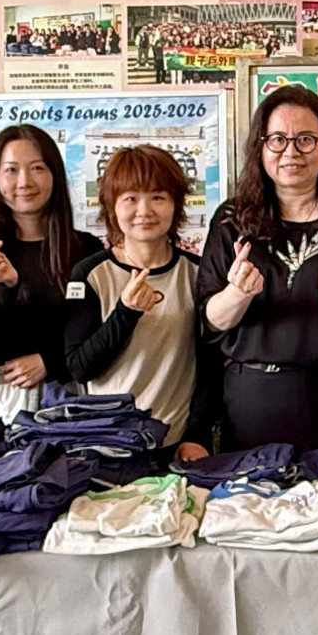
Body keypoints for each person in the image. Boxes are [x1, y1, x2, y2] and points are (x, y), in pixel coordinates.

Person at [198, 84, 318, 450]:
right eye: (277, 139)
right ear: (260, 147)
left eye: (306, 140)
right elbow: (209, 322)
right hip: (250, 403)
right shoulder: (232, 221)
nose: (291, 152)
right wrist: (237, 294)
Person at [62, 146, 215, 460]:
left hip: (176, 444)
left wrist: (197, 436)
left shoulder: (197, 273)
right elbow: (80, 368)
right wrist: (126, 312)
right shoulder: (90, 274)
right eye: (130, 198)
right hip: (107, 444)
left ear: (176, 204)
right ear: (112, 206)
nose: (144, 210)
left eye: (157, 197)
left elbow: (210, 367)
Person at [0, 125, 102, 421]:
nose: (24, 182)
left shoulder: (86, 249)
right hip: (2, 400)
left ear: (54, 175)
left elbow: (98, 332)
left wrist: (50, 361)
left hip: (71, 396)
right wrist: (6, 287)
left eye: (37, 168)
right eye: (11, 170)